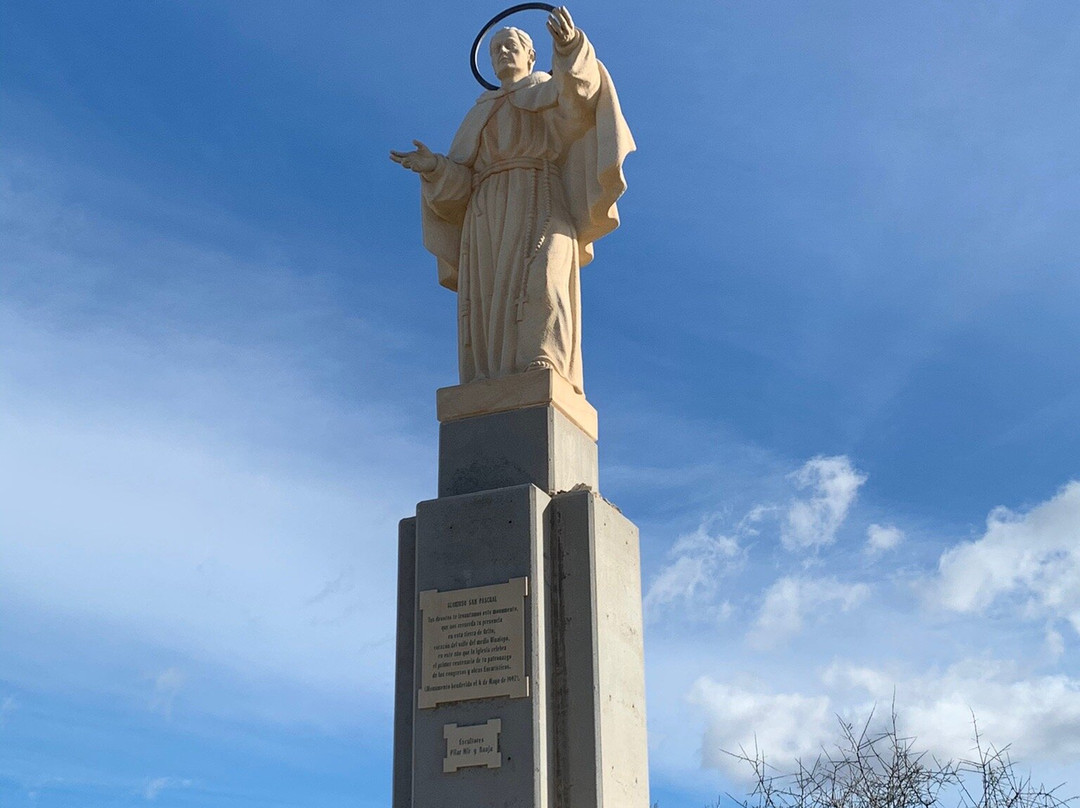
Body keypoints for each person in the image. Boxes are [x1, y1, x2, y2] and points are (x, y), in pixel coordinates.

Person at [390, 6, 633, 394]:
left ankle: (545, 356)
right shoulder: (480, 112)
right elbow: (461, 185)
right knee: (488, 297)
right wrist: (434, 166)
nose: (503, 53)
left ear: (530, 55)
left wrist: (570, 48)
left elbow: (580, 99)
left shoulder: (546, 92)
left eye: (510, 46)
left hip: (540, 196)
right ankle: (491, 373)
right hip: (487, 212)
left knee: (546, 276)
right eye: (495, 49)